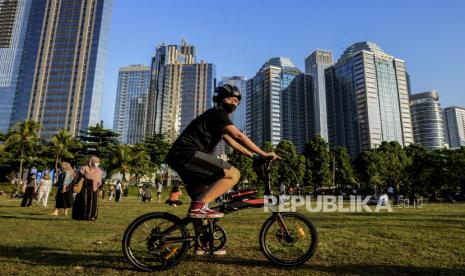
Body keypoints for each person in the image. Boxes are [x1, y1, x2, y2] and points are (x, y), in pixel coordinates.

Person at [165, 84, 277, 255]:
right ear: (219, 99)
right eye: (229, 99)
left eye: (236, 100)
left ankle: (201, 244)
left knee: (201, 197)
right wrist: (263, 153)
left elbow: (234, 143)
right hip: (187, 153)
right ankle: (199, 206)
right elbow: (238, 135)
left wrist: (254, 157)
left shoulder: (218, 121)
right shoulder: (218, 113)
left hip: (181, 157)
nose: (233, 102)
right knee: (233, 174)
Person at [72, 156, 102, 220]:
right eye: (95, 162)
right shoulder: (84, 168)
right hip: (85, 188)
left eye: (98, 162)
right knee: (84, 202)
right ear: (91, 161)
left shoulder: (98, 170)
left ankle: (92, 216)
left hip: (95, 189)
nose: (97, 163)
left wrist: (100, 189)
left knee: (94, 203)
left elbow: (99, 180)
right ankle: (84, 216)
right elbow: (79, 177)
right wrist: (75, 185)